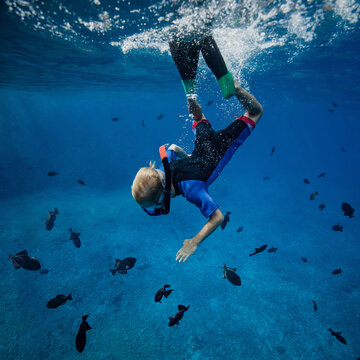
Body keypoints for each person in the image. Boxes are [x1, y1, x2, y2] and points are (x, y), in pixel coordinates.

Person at [131, 34, 263, 263]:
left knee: (255, 113)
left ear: (163, 195)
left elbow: (217, 218)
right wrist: (186, 155)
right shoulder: (168, 165)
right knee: (196, 115)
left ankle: (235, 88)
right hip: (202, 145)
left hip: (219, 147)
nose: (159, 206)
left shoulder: (192, 192)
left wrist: (194, 242)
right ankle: (191, 96)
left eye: (156, 203)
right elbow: (172, 147)